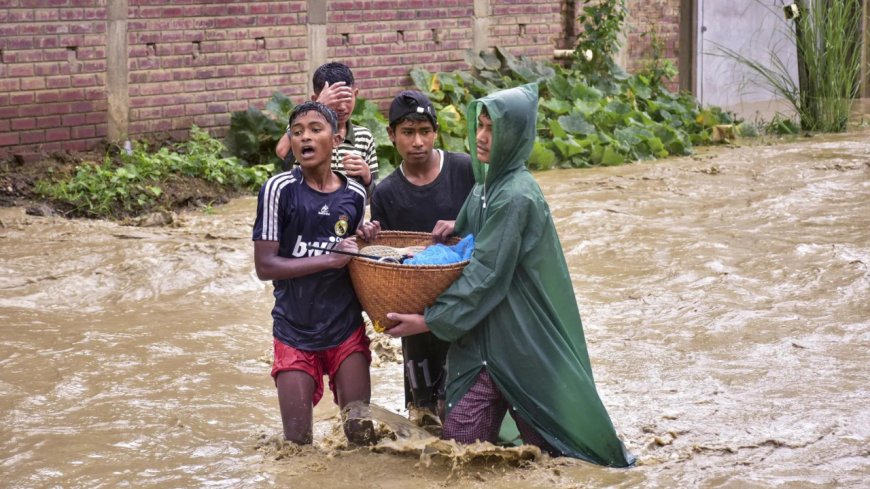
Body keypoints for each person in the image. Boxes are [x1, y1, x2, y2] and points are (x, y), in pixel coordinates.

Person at [384, 84, 634, 466]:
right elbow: (468, 244)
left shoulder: (515, 195)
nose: (482, 137)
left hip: (519, 340)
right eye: (480, 125)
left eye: (493, 129)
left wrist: (427, 320)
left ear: (514, 136)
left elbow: (485, 275)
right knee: (459, 453)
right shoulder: (486, 186)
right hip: (481, 339)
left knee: (554, 454)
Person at [253, 101, 375, 446]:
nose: (305, 137)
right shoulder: (279, 190)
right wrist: (329, 259)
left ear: (336, 139)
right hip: (294, 331)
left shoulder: (354, 194)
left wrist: (366, 238)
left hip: (345, 328)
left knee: (361, 436)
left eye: (315, 129)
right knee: (296, 445)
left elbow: (355, 255)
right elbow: (266, 266)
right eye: (297, 131)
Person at [359, 90, 475, 420]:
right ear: (391, 135)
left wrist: (461, 223)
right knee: (424, 414)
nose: (418, 142)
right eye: (408, 133)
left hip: (466, 304)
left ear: (436, 131)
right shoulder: (386, 194)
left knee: (464, 408)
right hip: (416, 314)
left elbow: (489, 226)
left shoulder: (464, 170)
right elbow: (392, 266)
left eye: (425, 131)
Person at [275, 62, 378, 195]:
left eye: (347, 98)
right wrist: (316, 107)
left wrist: (367, 176)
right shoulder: (303, 133)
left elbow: (373, 195)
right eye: (334, 100)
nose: (342, 107)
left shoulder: (364, 137)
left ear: (355, 94)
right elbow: (282, 151)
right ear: (316, 98)